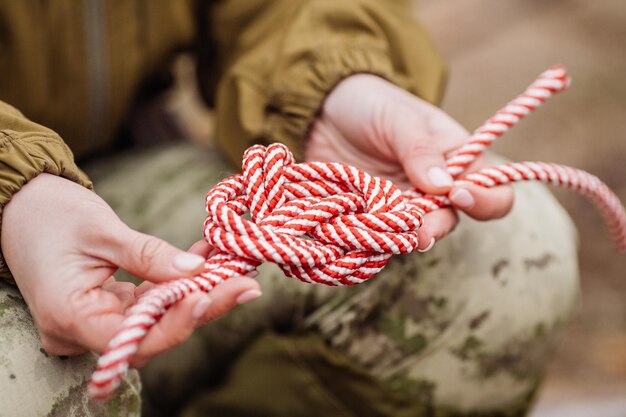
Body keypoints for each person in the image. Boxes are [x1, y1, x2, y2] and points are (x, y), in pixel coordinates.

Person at [0, 1, 579, 416]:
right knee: (30, 381)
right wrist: (16, 185)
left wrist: (331, 80)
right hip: (19, 191)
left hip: (117, 162)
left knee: (503, 250)